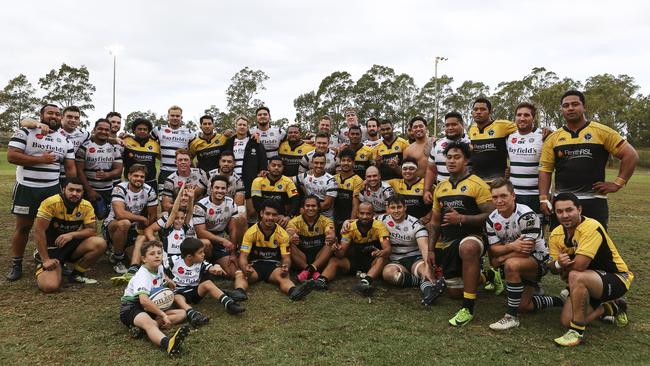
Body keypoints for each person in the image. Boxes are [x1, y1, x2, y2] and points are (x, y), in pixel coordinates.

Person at [539, 90, 638, 229]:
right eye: (566, 105)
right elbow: (545, 170)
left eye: (575, 104)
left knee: (595, 246)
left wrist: (618, 183)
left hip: (594, 202)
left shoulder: (602, 132)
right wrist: (543, 198)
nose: (570, 108)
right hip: (563, 203)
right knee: (562, 245)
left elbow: (631, 155)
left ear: (584, 107)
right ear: (561, 109)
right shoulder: (553, 138)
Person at [547, 193, 633, 347]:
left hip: (617, 278)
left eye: (569, 210)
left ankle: (577, 332)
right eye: (559, 211)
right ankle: (610, 307)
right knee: (566, 320)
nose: (565, 215)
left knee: (575, 275)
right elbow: (553, 268)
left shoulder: (591, 227)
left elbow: (579, 267)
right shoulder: (555, 234)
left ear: (579, 209)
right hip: (587, 281)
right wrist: (559, 264)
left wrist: (563, 268)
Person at [6, 104, 76, 281]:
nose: (54, 116)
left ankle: (53, 260)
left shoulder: (65, 140)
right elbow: (12, 156)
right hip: (26, 187)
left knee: (53, 229)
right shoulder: (25, 132)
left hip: (52, 189)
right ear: (41, 115)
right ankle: (17, 263)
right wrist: (41, 160)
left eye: (57, 114)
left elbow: (70, 168)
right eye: (50, 113)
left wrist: (69, 188)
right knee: (23, 228)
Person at [429, 140, 494, 327]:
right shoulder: (440, 188)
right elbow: (434, 222)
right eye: (448, 157)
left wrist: (463, 219)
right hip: (448, 243)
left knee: (468, 246)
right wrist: (431, 250)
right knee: (455, 292)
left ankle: (468, 308)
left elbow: (491, 215)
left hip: (474, 238)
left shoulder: (478, 184)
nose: (451, 161)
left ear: (466, 161)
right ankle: (487, 276)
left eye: (457, 157)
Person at [485, 178, 564, 331]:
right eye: (495, 197)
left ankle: (511, 317)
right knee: (524, 306)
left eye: (503, 196)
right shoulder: (491, 219)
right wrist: (512, 246)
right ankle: (561, 301)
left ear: (513, 196)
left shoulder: (526, 215)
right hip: (519, 259)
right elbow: (494, 248)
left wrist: (501, 257)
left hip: (539, 260)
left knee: (511, 264)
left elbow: (525, 251)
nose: (499, 201)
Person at [112, 184, 197, 285]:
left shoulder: (184, 224)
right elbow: (174, 212)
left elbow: (190, 213)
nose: (179, 220)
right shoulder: (168, 227)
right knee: (160, 276)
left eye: (181, 218)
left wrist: (191, 198)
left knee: (180, 279)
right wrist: (181, 192)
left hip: (183, 257)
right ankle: (136, 275)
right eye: (176, 218)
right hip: (168, 259)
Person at [33, 178, 107, 291]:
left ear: (83, 192)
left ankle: (77, 274)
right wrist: (46, 260)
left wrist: (71, 235)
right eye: (71, 190)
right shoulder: (51, 203)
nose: (74, 193)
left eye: (78, 191)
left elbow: (92, 231)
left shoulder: (86, 205)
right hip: (50, 249)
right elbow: (39, 232)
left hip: (70, 246)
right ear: (63, 190)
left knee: (100, 243)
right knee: (49, 286)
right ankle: (54, 266)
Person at [119, 240, 190, 356]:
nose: (157, 256)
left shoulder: (159, 267)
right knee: (150, 324)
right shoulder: (142, 275)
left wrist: (168, 281)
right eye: (152, 254)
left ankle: (141, 330)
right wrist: (163, 315)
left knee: (182, 313)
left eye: (159, 253)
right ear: (144, 259)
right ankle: (169, 344)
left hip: (149, 306)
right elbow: (144, 301)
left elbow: (161, 276)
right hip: (132, 308)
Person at [238, 200, 315, 300]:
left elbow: (286, 257)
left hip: (274, 266)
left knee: (284, 276)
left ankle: (294, 291)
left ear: (278, 216)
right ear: (261, 214)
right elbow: (243, 256)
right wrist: (244, 268)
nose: (270, 218)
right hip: (255, 266)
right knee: (240, 274)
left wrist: (286, 266)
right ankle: (239, 292)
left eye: (274, 215)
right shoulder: (250, 232)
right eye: (267, 214)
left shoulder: (282, 234)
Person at [313, 202, 391, 296]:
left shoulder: (380, 226)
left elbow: (388, 249)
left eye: (368, 214)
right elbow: (341, 254)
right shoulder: (350, 227)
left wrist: (381, 252)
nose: (365, 216)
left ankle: (365, 283)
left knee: (382, 258)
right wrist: (336, 249)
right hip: (355, 261)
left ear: (373, 214)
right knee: (334, 260)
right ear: (357, 213)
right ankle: (321, 281)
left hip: (372, 262)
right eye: (362, 213)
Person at [168, 237, 245, 327]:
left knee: (207, 283)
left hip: (195, 292)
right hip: (179, 292)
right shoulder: (173, 261)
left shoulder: (201, 263)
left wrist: (216, 266)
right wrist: (168, 279)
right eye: (200, 252)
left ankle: (229, 304)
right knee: (177, 298)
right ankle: (193, 315)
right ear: (189, 256)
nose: (203, 254)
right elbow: (159, 269)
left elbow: (211, 268)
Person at [379, 195, 441, 304]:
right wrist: (348, 222)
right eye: (393, 208)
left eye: (399, 207)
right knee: (388, 274)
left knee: (425, 271)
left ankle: (428, 293)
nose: (396, 211)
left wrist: (427, 267)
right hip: (396, 261)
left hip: (415, 259)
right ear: (388, 209)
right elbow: (364, 219)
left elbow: (424, 249)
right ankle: (420, 282)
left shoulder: (415, 224)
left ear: (405, 207)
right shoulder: (382, 219)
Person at [104, 164, 158, 274]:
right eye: (136, 176)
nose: (139, 179)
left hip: (134, 228)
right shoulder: (119, 188)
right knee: (124, 223)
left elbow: (153, 216)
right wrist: (141, 218)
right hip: (114, 224)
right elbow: (120, 214)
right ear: (129, 176)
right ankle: (118, 259)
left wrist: (146, 232)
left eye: (142, 177)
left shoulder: (149, 191)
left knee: (135, 257)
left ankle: (117, 251)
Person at [193, 175, 246, 285]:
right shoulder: (200, 206)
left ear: (227, 190)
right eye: (217, 187)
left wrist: (232, 253)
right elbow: (200, 232)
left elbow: (232, 229)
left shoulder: (230, 203)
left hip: (219, 242)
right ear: (211, 189)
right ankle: (204, 268)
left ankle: (218, 263)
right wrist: (223, 241)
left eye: (223, 188)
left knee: (234, 273)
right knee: (206, 244)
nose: (220, 191)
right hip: (203, 242)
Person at [76, 118, 123, 219]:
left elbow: (119, 169)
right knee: (86, 219)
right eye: (100, 129)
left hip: (108, 190)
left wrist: (108, 174)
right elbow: (79, 170)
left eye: (106, 130)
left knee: (108, 218)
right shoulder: (84, 147)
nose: (103, 132)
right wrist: (89, 190)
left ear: (110, 132)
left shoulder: (114, 148)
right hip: (88, 190)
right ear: (94, 130)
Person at [506, 103, 546, 215]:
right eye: (519, 115)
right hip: (514, 194)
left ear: (534, 118)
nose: (522, 118)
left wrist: (545, 197)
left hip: (535, 194)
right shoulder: (510, 137)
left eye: (526, 115)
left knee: (536, 229)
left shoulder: (543, 136)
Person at [286, 196, 336, 282]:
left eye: (313, 206)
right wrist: (292, 235)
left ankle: (308, 271)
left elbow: (330, 231)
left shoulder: (326, 221)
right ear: (303, 207)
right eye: (307, 206)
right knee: (288, 243)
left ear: (318, 207)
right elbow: (289, 231)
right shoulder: (295, 221)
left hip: (319, 257)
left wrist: (331, 235)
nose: (310, 208)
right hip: (302, 257)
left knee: (330, 242)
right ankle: (312, 271)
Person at [424, 112, 471, 202]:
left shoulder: (471, 142)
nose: (450, 128)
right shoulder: (437, 144)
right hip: (442, 193)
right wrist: (426, 190)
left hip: (467, 194)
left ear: (462, 125)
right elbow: (431, 170)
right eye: (447, 125)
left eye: (454, 124)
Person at [467, 97, 517, 182]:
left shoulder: (502, 125)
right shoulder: (472, 129)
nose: (478, 112)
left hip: (498, 182)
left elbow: (525, 126)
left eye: (482, 109)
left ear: (490, 112)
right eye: (475, 109)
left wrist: (546, 129)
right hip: (477, 182)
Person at [222, 116, 267, 203]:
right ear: (235, 126)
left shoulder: (254, 141)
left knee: (251, 207)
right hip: (232, 178)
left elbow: (262, 157)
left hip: (250, 178)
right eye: (239, 125)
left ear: (247, 127)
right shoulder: (229, 142)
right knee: (233, 203)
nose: (242, 127)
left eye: (244, 125)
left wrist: (262, 170)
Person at [152, 105, 195, 185]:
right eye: (172, 115)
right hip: (165, 171)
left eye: (177, 116)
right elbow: (147, 142)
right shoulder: (158, 130)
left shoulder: (189, 132)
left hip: (183, 172)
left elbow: (194, 150)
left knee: (183, 196)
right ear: (168, 117)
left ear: (181, 117)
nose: (175, 118)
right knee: (164, 196)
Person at [251, 157, 301, 226]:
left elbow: (296, 200)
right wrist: (267, 216)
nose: (276, 168)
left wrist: (288, 216)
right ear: (268, 167)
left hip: (281, 219)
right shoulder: (257, 181)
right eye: (273, 165)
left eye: (279, 166)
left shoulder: (288, 182)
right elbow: (256, 203)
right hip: (264, 217)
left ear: (283, 168)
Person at [387, 157, 431, 223]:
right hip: (401, 223)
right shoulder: (394, 183)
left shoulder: (426, 183)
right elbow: (377, 182)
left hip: (421, 223)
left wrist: (427, 217)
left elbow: (437, 203)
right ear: (401, 170)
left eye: (411, 169)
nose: (408, 171)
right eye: (405, 169)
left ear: (417, 170)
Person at [122, 118, 160, 191]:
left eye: (145, 129)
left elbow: (161, 159)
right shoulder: (125, 141)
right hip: (131, 182)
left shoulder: (155, 144)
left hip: (150, 182)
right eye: (139, 129)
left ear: (148, 131)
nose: (142, 131)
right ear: (134, 130)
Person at [297, 152, 338, 219]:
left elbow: (326, 205)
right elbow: (289, 180)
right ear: (312, 163)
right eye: (316, 163)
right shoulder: (306, 175)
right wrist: (302, 189)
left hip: (325, 217)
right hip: (308, 215)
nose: (319, 165)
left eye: (321, 163)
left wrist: (305, 209)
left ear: (325, 164)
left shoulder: (331, 180)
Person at [333, 148, 363, 232]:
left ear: (353, 163)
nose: (346, 163)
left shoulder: (358, 180)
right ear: (339, 162)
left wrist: (351, 223)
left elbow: (355, 205)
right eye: (343, 160)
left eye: (349, 161)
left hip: (348, 218)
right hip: (333, 218)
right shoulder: (333, 178)